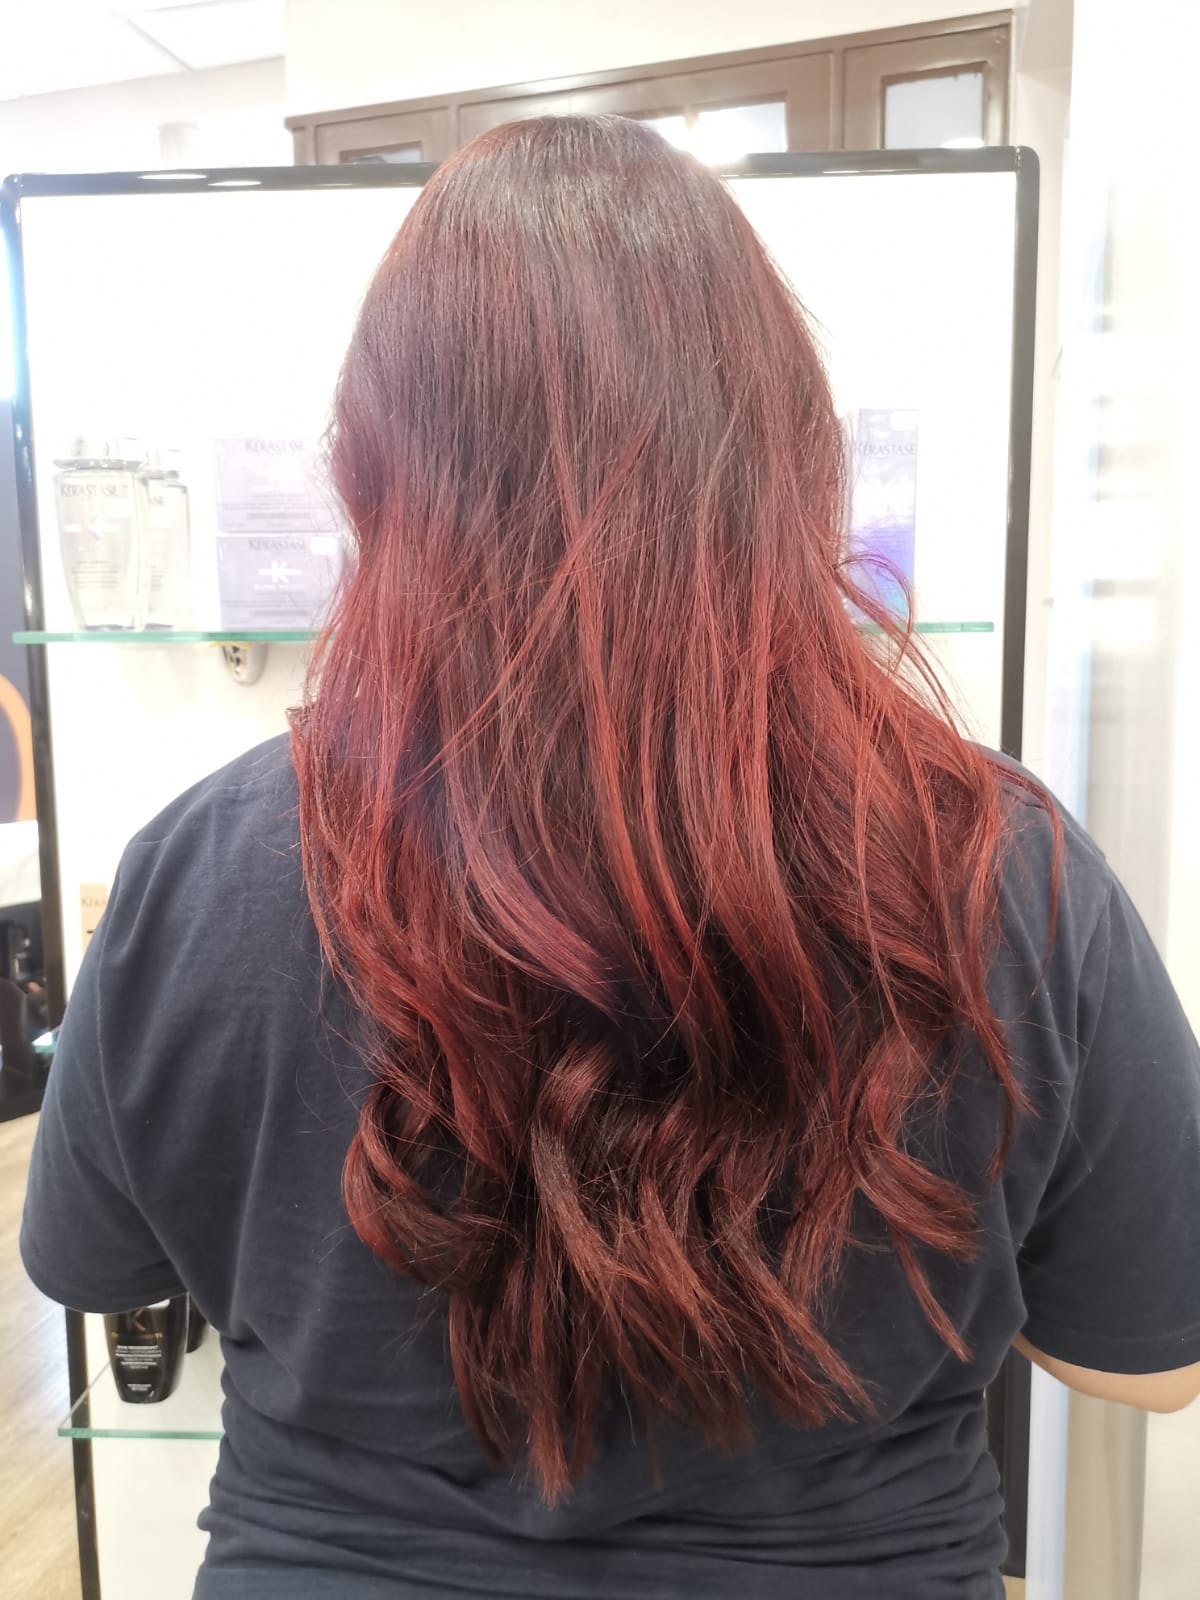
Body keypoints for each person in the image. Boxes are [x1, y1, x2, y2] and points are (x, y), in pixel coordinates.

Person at [21, 115, 1200, 1600]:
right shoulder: (1003, 872)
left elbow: (95, 1273)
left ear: (373, 471)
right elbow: (1150, 1363)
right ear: (790, 455)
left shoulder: (200, 872)